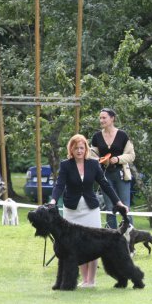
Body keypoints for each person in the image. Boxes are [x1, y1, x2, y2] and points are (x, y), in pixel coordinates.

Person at [49, 134, 126, 288]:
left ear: (86, 149)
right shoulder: (65, 165)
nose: (79, 150)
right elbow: (59, 185)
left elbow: (105, 184)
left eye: (82, 148)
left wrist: (118, 201)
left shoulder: (93, 164)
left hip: (91, 209)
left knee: (93, 244)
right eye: (76, 148)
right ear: (71, 149)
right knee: (75, 246)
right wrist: (52, 201)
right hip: (72, 210)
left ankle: (91, 280)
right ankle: (83, 279)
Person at [91, 108, 134, 228]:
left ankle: (129, 235)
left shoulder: (122, 135)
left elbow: (131, 155)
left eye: (104, 117)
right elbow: (92, 155)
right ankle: (111, 236)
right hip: (104, 175)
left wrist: (118, 159)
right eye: (100, 118)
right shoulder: (97, 136)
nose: (101, 120)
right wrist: (100, 160)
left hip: (121, 173)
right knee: (109, 207)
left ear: (112, 118)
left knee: (125, 205)